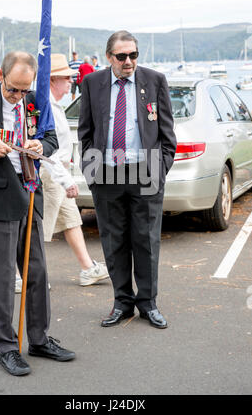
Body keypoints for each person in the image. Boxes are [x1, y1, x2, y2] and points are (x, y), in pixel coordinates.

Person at [0, 51, 76, 377]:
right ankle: (7, 348)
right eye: (13, 90)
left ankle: (38, 339)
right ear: (0, 75)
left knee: (36, 272)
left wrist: (42, 147)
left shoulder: (35, 101)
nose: (19, 97)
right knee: (3, 278)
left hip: (30, 193)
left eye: (24, 90)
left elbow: (50, 137)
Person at [78, 30, 177, 328]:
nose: (128, 61)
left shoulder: (154, 80)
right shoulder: (92, 82)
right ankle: (122, 302)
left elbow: (167, 133)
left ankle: (148, 303)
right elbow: (85, 130)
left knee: (146, 240)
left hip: (145, 170)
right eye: (122, 56)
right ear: (109, 57)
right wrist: (90, 170)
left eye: (133, 55)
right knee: (114, 240)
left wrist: (160, 169)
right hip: (106, 172)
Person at [40, 53, 109, 286]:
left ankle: (88, 268)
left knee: (71, 220)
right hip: (50, 173)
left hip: (59, 172)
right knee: (39, 227)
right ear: (52, 80)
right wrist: (65, 180)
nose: (72, 81)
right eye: (66, 78)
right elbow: (46, 151)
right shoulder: (45, 106)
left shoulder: (54, 104)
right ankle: (24, 275)